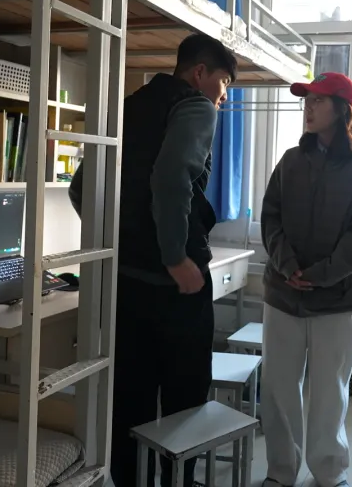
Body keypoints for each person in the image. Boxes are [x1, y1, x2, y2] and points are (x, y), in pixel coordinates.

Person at [69, 33, 236, 487]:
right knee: (185, 401)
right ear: (199, 73)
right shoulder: (196, 106)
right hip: (175, 286)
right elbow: (171, 178)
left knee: (130, 399)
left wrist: (118, 241)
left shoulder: (128, 106)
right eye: (223, 83)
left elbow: (81, 189)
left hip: (126, 282)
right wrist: (175, 257)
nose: (223, 96)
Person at [259, 72, 352, 487]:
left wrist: (316, 276)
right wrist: (287, 266)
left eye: (318, 100)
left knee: (330, 391)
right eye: (306, 100)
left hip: (335, 298)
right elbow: (271, 218)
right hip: (282, 293)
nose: (308, 107)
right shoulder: (291, 160)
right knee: (278, 388)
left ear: (342, 109)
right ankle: (281, 471)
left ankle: (329, 471)